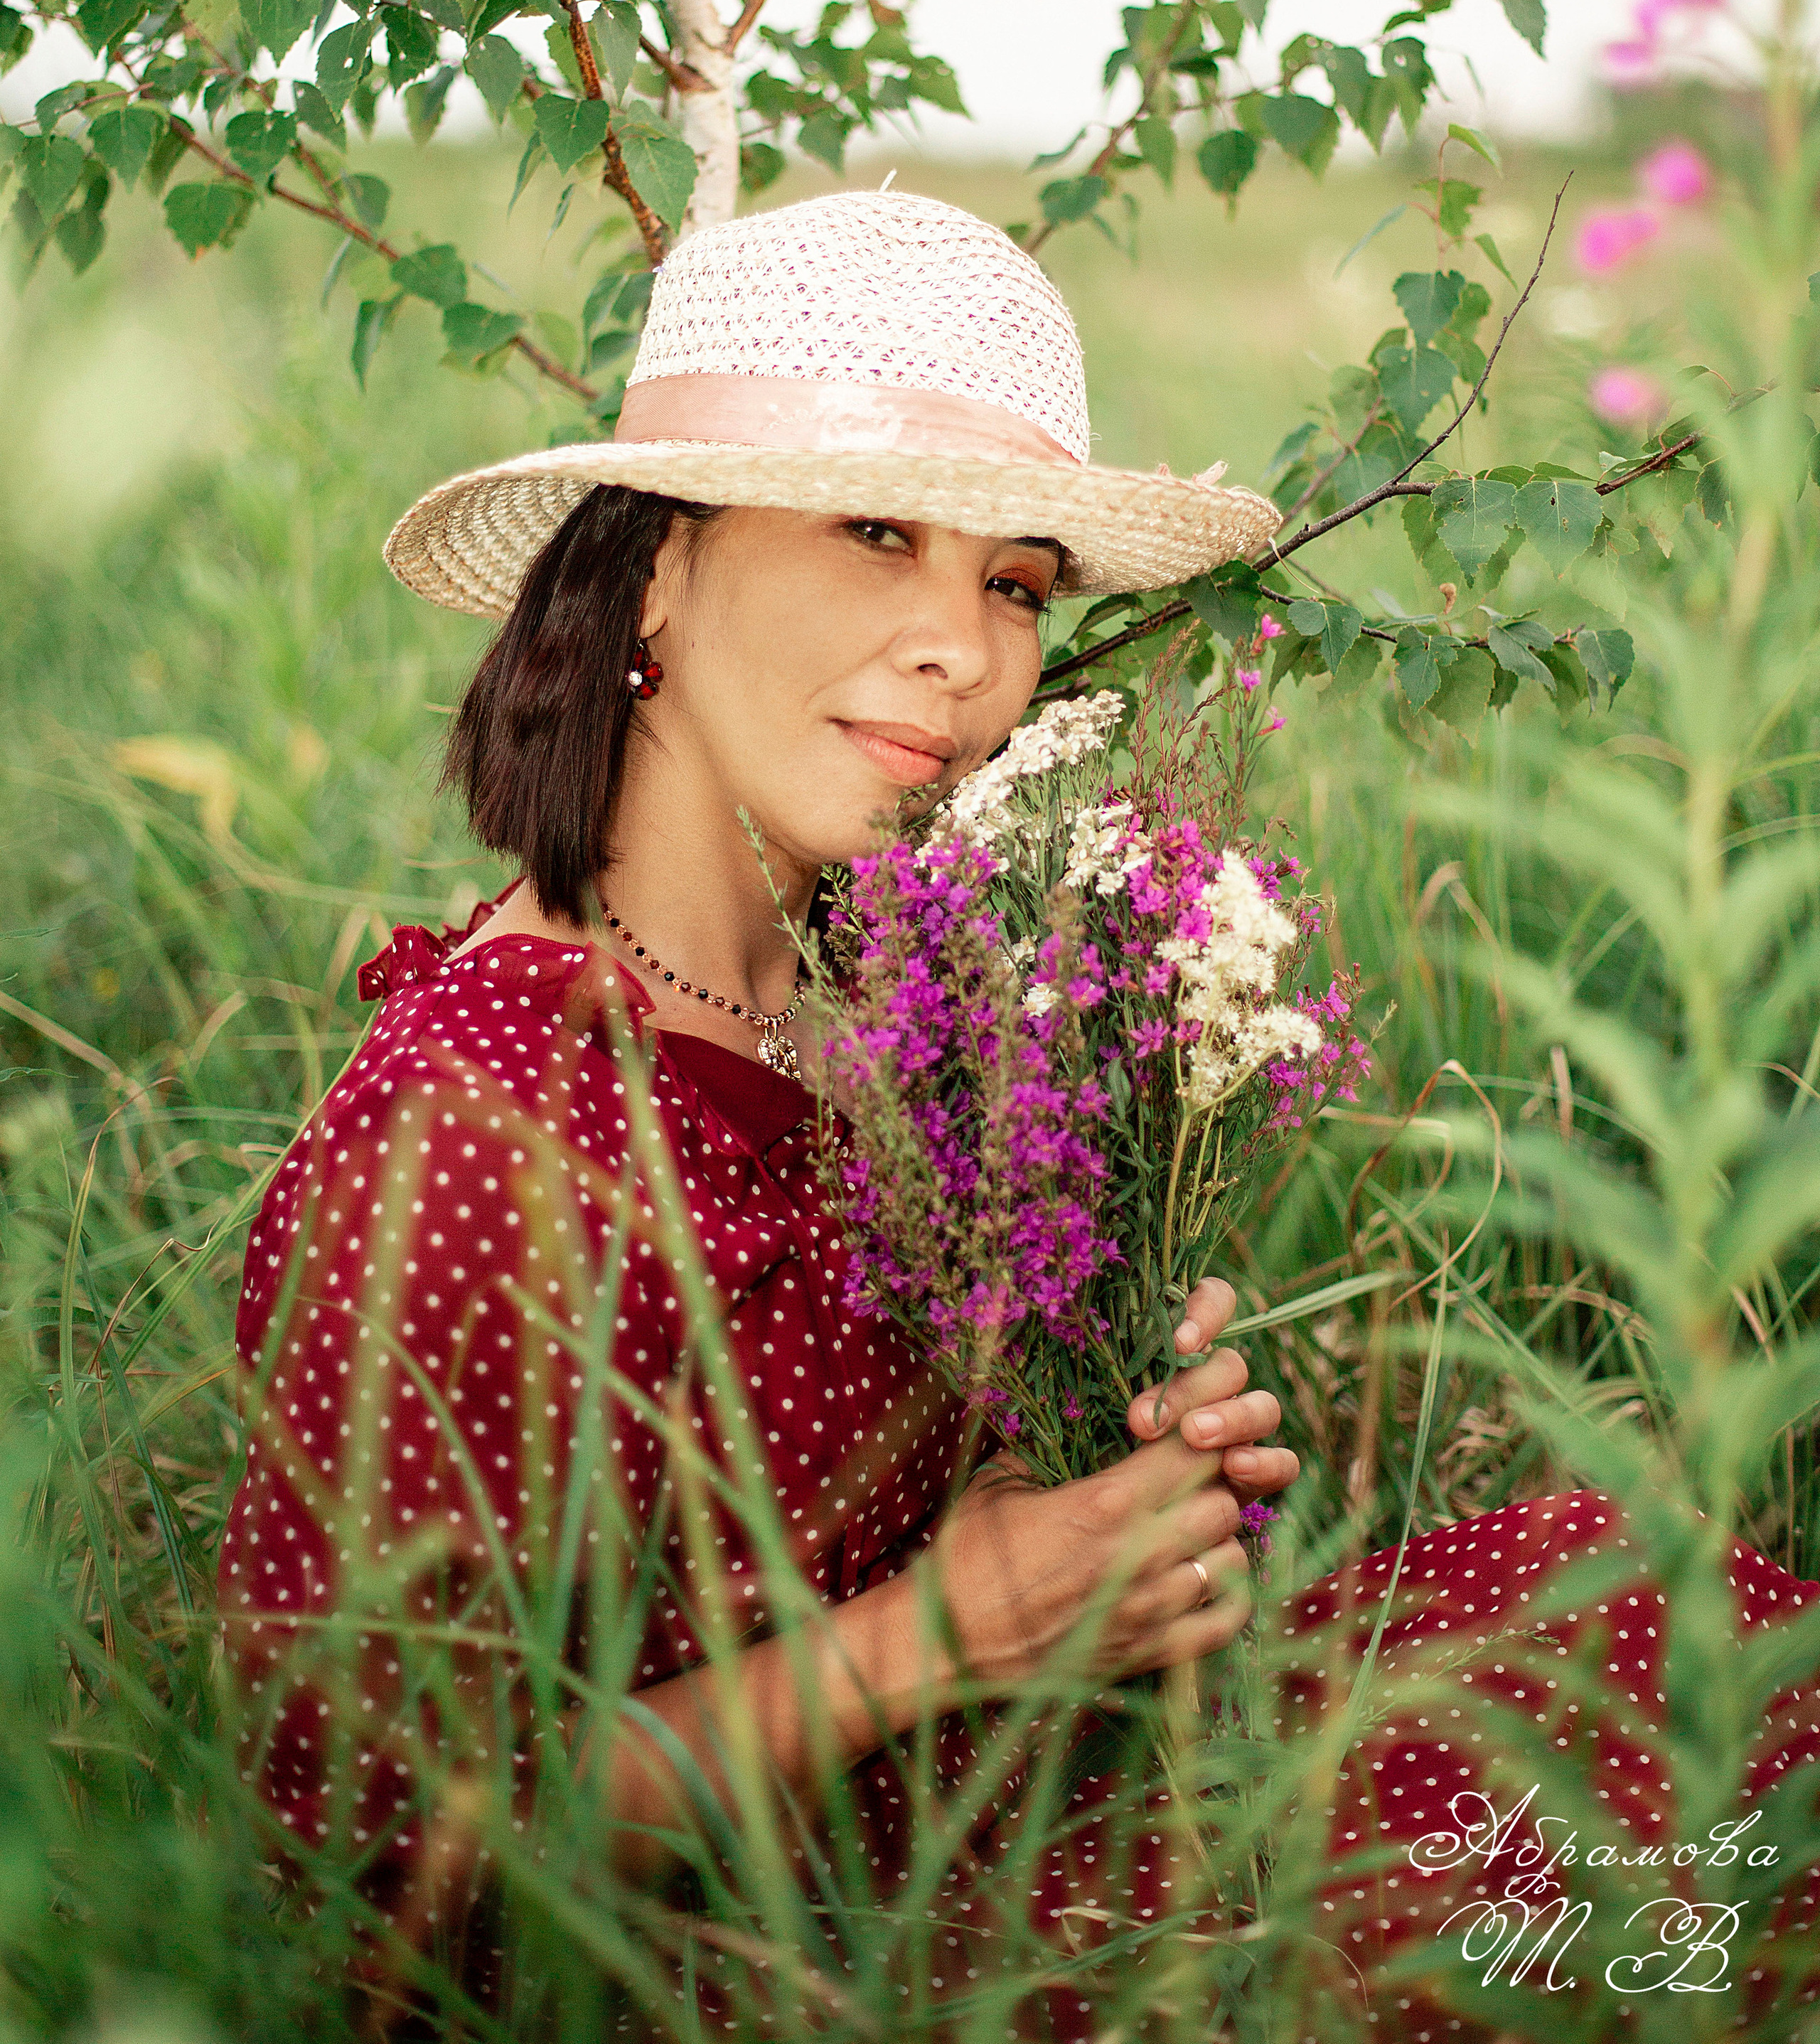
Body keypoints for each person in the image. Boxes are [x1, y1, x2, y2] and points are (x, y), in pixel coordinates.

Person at [218, 188, 1820, 2040]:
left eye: (1013, 581)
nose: (963, 653)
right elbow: (386, 1854)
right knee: (1625, 1832)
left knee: (1636, 1628)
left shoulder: (852, 1000)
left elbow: (846, 1528)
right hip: (775, 1971)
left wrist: (1085, 1514)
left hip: (990, 1809)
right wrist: (938, 1638)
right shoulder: (479, 1133)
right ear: (652, 564)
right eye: (876, 530)